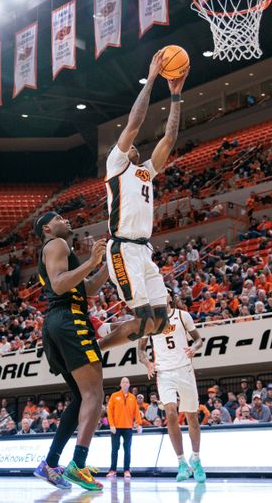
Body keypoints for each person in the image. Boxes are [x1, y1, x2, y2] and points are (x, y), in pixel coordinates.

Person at [98, 51, 189, 351]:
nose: (134, 143)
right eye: (128, 143)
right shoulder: (116, 164)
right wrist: (151, 79)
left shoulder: (145, 171)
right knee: (143, 319)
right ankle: (96, 350)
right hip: (123, 248)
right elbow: (134, 124)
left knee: (160, 322)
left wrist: (176, 96)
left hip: (143, 250)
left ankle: (107, 328)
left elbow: (170, 138)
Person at [31, 212, 109, 491]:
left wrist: (106, 267)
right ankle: (78, 464)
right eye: (60, 217)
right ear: (48, 228)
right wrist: (91, 261)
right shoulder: (56, 245)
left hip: (59, 322)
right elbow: (59, 284)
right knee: (94, 393)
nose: (67, 220)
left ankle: (50, 463)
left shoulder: (61, 250)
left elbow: (86, 287)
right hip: (68, 320)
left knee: (80, 396)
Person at [139, 295, 206, 482]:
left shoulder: (183, 316)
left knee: (192, 416)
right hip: (164, 373)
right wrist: (147, 363)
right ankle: (181, 462)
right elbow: (141, 351)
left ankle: (196, 459)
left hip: (184, 370)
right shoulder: (150, 323)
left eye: (164, 292)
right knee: (170, 414)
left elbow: (199, 340)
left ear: (169, 297)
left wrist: (194, 348)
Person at [106, 377, 142, 480]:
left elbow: (136, 411)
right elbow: (109, 411)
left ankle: (127, 470)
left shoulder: (132, 397)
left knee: (127, 449)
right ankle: (113, 470)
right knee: (114, 449)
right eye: (123, 382)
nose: (125, 383)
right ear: (120, 384)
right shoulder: (114, 396)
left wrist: (138, 424)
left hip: (128, 428)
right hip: (116, 428)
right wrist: (111, 425)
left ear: (129, 384)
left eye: (127, 382)